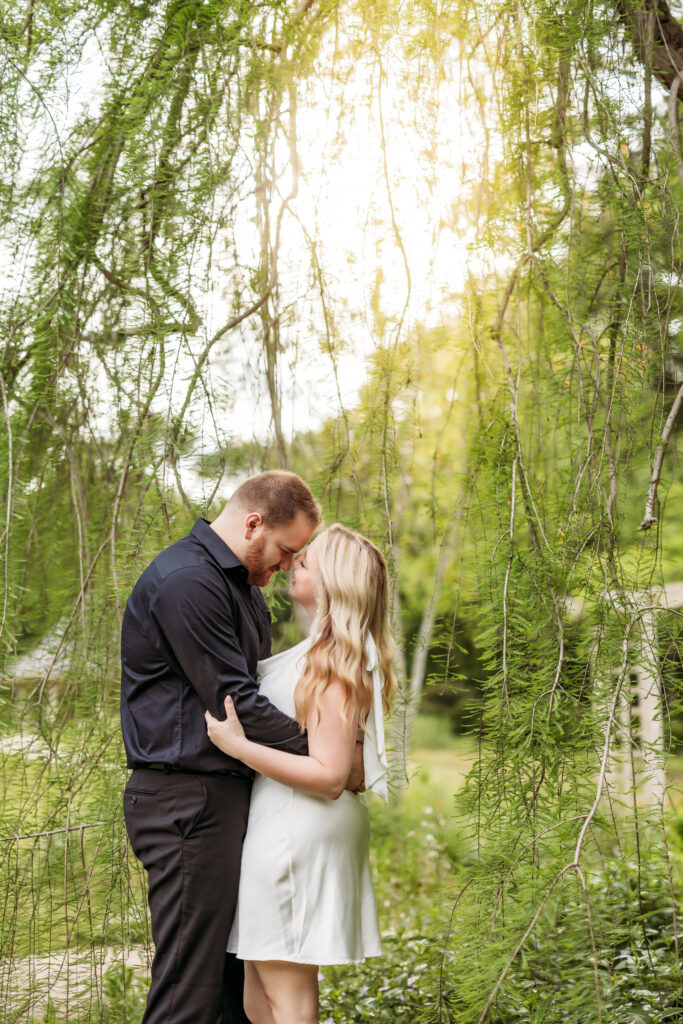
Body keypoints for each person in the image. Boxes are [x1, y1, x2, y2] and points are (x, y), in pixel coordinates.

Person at [120, 471, 362, 1024]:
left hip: (227, 799)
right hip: (186, 800)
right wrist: (328, 759)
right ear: (253, 523)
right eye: (285, 551)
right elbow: (238, 705)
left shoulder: (240, 589)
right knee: (191, 990)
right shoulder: (188, 581)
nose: (284, 566)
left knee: (232, 992)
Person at [205, 523, 397, 1024]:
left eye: (306, 561)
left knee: (287, 997)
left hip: (298, 827)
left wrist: (240, 747)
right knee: (257, 997)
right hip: (286, 821)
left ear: (334, 581)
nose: (292, 563)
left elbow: (330, 775)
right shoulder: (325, 650)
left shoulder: (332, 660)